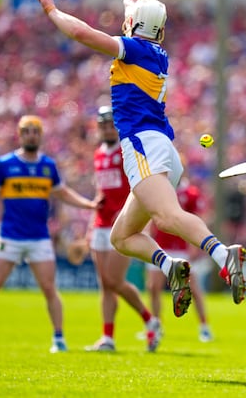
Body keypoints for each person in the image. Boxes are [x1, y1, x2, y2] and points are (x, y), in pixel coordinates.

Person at [34, 0, 246, 318]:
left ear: (134, 26)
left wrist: (52, 11)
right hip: (160, 148)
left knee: (167, 217)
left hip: (143, 146)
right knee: (122, 236)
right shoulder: (154, 51)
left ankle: (224, 256)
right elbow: (134, 21)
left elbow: (83, 34)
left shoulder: (134, 49)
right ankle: (170, 265)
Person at [0, 115, 101, 353]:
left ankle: (59, 339)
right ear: (20, 135)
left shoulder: (48, 166)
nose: (31, 135)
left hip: (39, 238)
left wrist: (88, 205)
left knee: (49, 289)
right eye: (27, 131)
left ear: (40, 135)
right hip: (10, 236)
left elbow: (63, 193)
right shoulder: (5, 164)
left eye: (35, 131)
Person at [86, 105, 160, 352]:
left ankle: (150, 319)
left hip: (121, 224)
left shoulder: (126, 150)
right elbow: (101, 190)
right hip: (100, 224)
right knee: (105, 284)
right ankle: (107, 337)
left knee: (114, 280)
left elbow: (137, 186)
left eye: (110, 125)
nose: (107, 129)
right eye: (103, 125)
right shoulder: (99, 154)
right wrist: (90, 224)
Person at [145, 177, 214, 350]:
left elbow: (199, 218)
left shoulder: (190, 193)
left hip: (181, 247)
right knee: (153, 287)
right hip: (159, 246)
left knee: (193, 289)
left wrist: (194, 244)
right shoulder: (158, 189)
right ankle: (156, 325)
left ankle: (204, 326)